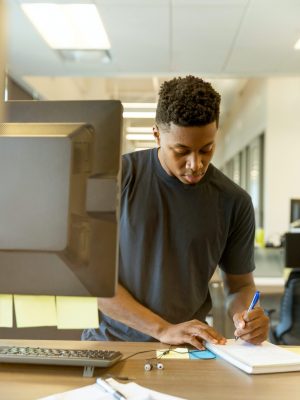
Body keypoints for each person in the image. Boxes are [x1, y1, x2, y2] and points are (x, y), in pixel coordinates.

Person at [82, 75, 269, 349]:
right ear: (157, 134)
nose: (196, 164)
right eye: (181, 151)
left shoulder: (234, 201)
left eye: (206, 149)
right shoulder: (116, 179)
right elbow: (91, 279)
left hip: (186, 349)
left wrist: (248, 318)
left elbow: (240, 286)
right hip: (111, 345)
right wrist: (161, 329)